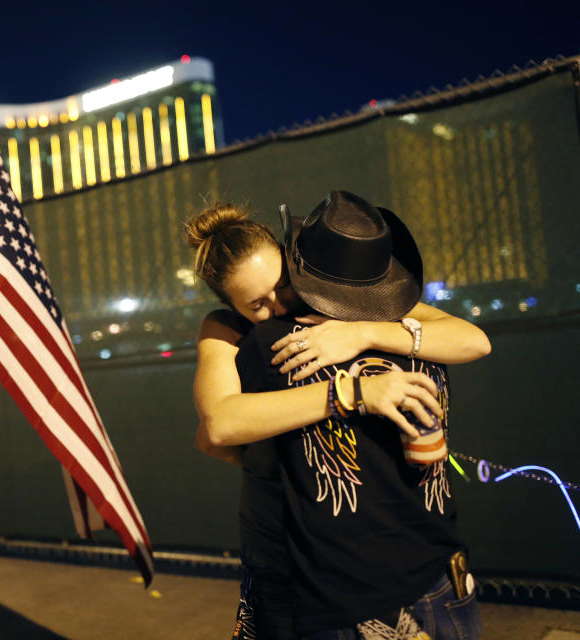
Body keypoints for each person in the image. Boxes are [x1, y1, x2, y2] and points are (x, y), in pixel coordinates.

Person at [187, 192, 490, 639]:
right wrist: (351, 391)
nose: (279, 305)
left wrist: (363, 331)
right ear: (232, 308)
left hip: (417, 568)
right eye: (257, 305)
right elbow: (219, 425)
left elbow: (474, 341)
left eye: (283, 284)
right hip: (325, 572)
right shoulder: (234, 335)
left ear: (295, 264)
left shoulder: (364, 306)